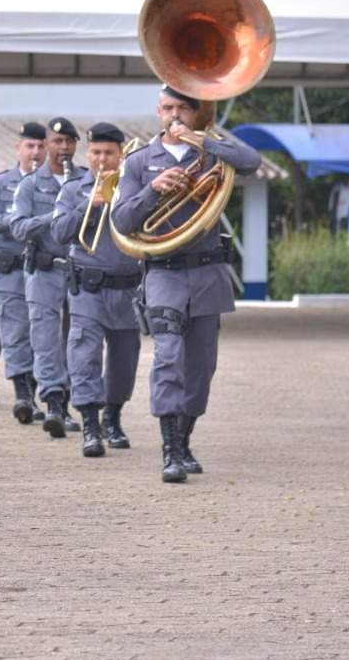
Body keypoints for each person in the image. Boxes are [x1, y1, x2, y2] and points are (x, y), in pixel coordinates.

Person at [110, 86, 262, 482]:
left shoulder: (211, 151)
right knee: (167, 357)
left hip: (208, 274)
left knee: (201, 367)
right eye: (167, 108)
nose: (174, 116)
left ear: (197, 113)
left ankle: (185, 437)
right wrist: (153, 190)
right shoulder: (141, 160)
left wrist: (205, 142)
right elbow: (122, 220)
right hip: (164, 271)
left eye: (181, 108)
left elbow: (252, 162)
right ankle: (170, 450)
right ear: (157, 111)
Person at [51, 122, 143, 457]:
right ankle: (90, 423)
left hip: (128, 287)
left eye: (108, 153)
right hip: (87, 285)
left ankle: (113, 418)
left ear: (121, 155)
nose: (101, 159)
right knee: (83, 353)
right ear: (87, 154)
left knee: (124, 359)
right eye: (96, 152)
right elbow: (59, 232)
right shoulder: (74, 188)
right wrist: (90, 204)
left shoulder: (135, 187)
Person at [8, 116, 84, 433]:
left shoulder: (86, 181)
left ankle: (78, 404)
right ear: (47, 145)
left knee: (78, 341)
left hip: (80, 272)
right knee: (46, 340)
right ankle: (54, 403)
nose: (63, 147)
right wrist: (53, 217)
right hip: (43, 271)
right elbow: (17, 227)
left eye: (68, 141)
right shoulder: (29, 185)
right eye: (57, 142)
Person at [0, 122, 45, 413]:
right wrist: (17, 221)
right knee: (15, 333)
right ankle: (22, 393)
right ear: (18, 148)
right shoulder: (1, 183)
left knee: (43, 334)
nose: (36, 152)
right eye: (30, 146)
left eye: (41, 146)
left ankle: (47, 391)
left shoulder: (57, 183)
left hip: (44, 270)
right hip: (11, 270)